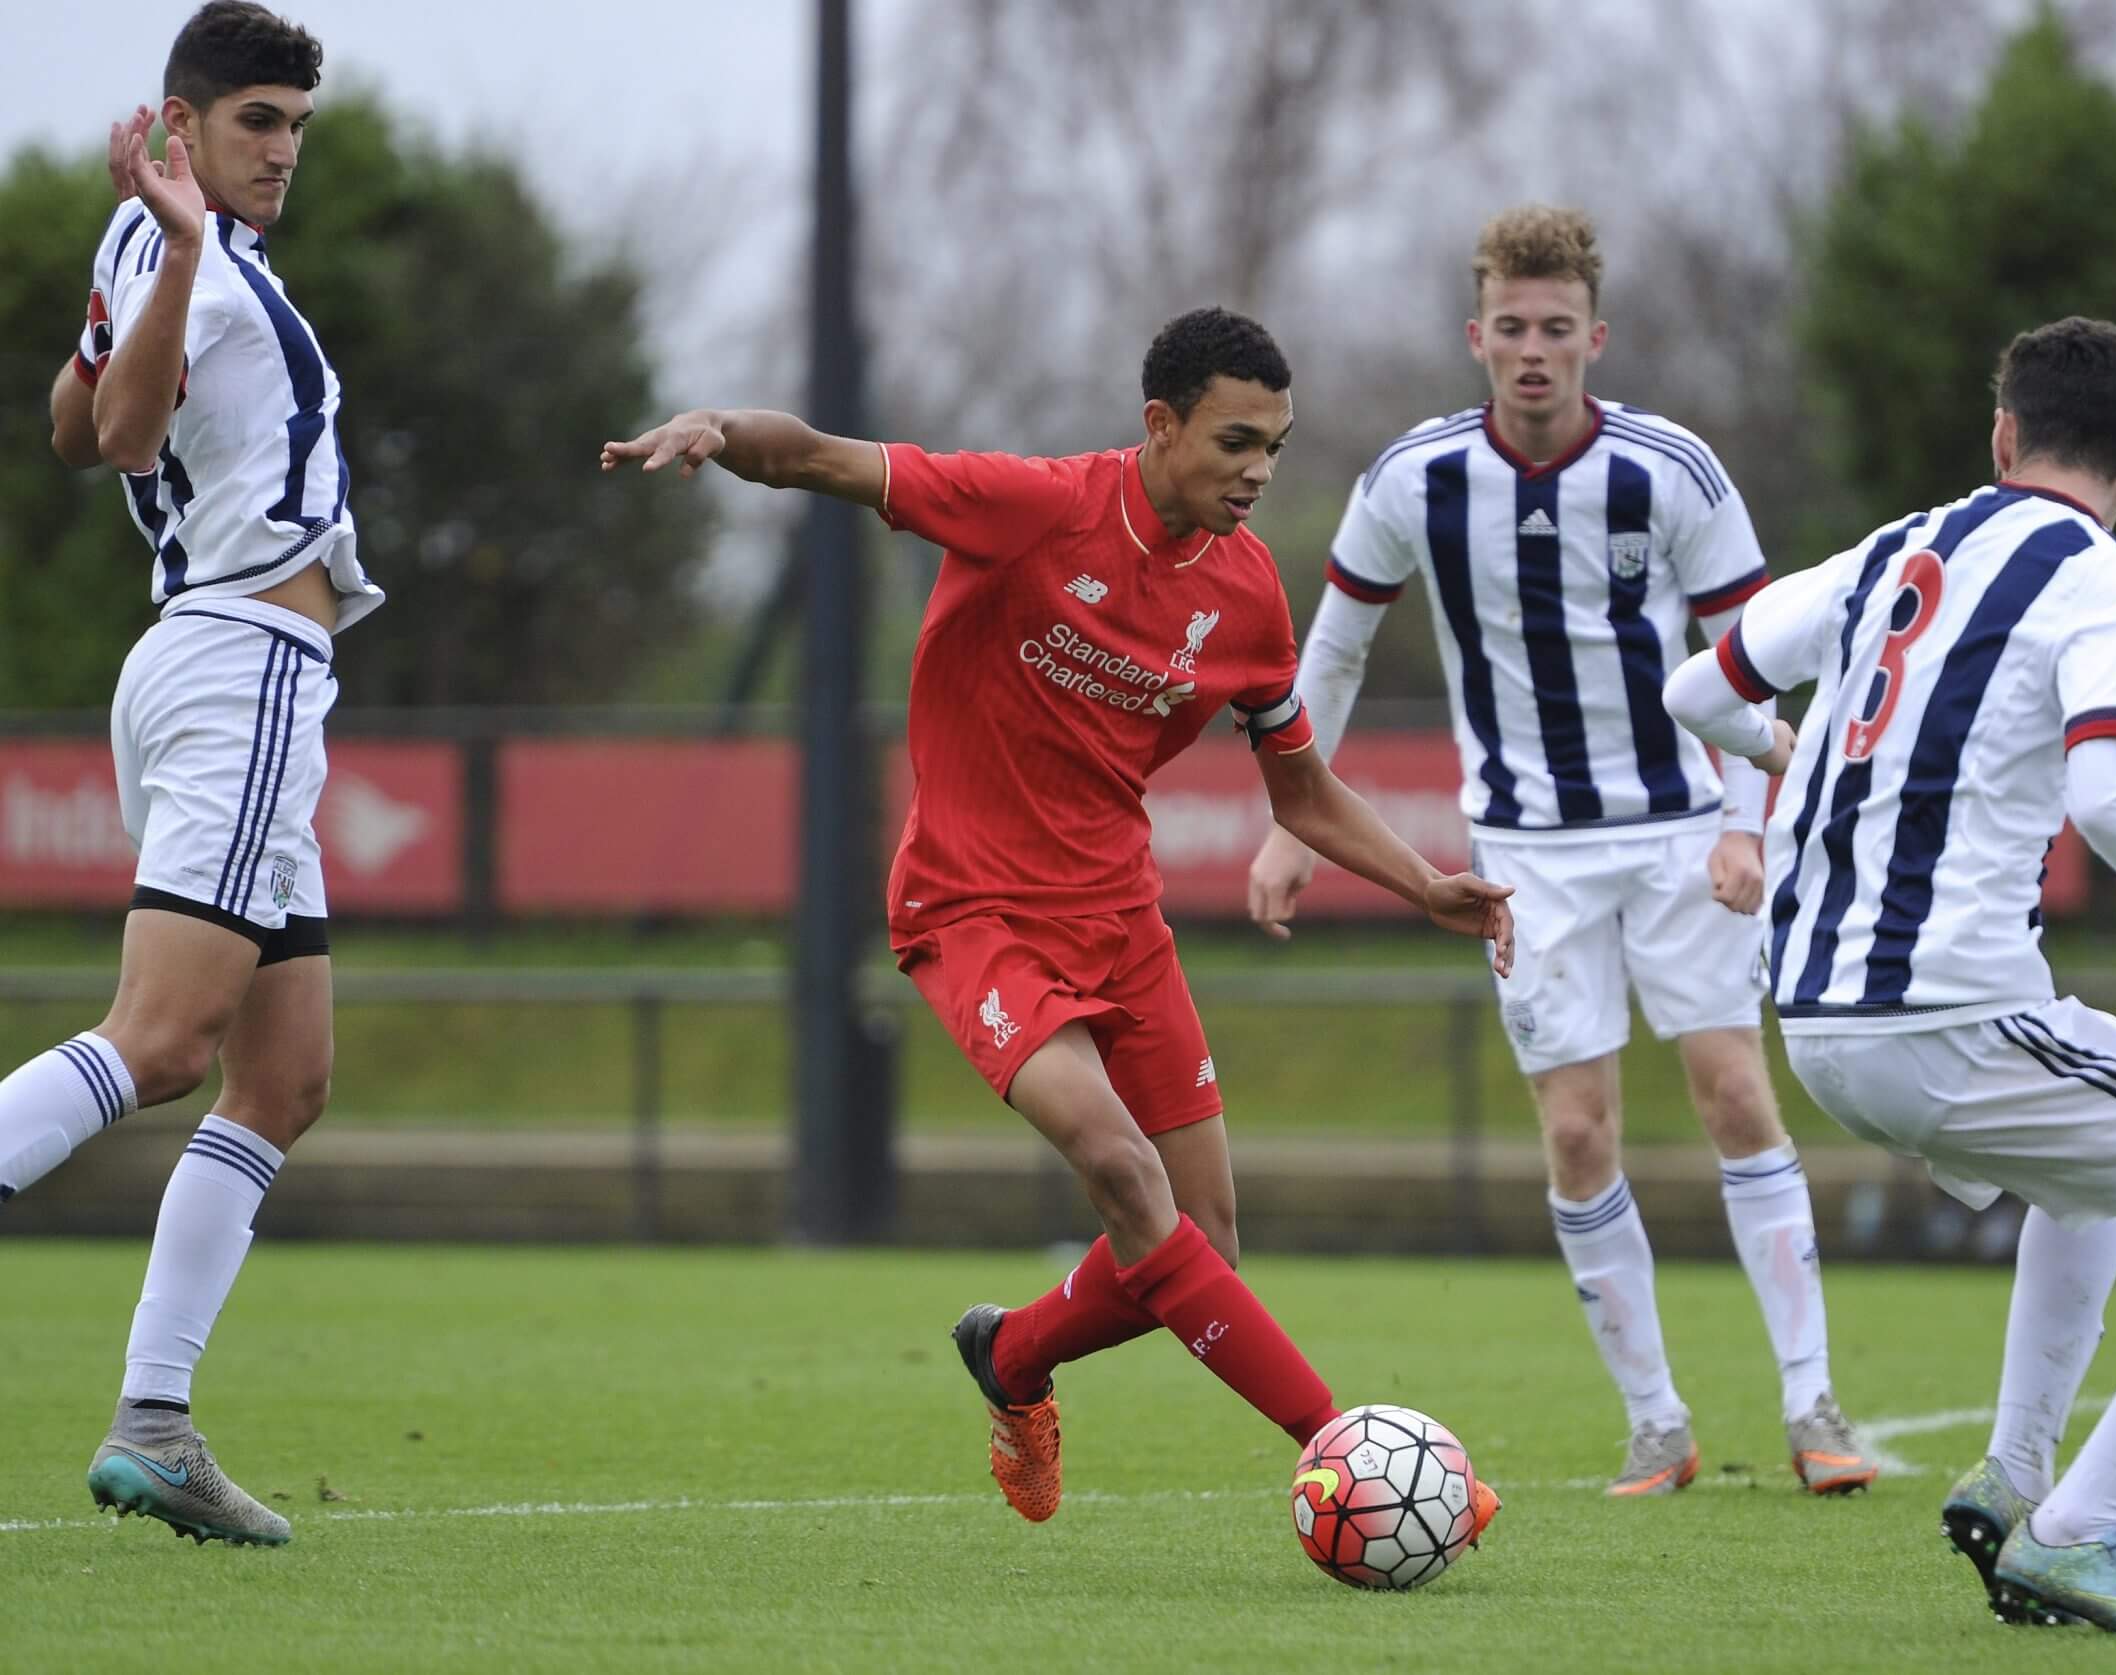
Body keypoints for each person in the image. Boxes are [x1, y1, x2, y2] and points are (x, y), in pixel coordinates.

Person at [603, 308, 1514, 1537]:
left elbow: (1299, 789)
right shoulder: (1030, 507)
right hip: (970, 909)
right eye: (1235, 440)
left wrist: (1425, 883)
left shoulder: (1247, 597)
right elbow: (826, 456)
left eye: (1275, 448)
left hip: (1118, 916)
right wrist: (721, 430)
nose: (1257, 469)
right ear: (1160, 424)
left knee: (1204, 1243)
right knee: (1123, 1172)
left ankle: (1015, 1353)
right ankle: (1344, 1447)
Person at [1661, 317, 2116, 1634]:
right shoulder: (2107, 578)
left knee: (2110, 1162)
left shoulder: (1897, 547)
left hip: (1817, 1018)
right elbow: (2112, 794)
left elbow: (1696, 689)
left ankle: (2015, 1474)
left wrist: (1811, 758)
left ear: (2002, 437)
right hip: (1951, 1018)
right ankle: (2087, 1528)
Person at [1245, 204, 1872, 1497]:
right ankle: (1658, 1420)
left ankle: (1815, 1405)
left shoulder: (1672, 471)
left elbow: (1755, 664)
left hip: (1683, 824)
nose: (1535, 350)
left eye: (1557, 328)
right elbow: (1336, 646)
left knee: (1732, 1094)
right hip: (1525, 849)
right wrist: (1288, 817)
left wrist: (1749, 827)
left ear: (1598, 335)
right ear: (1477, 336)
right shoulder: (1414, 479)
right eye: (1511, 328)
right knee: (1578, 1131)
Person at [3, 2, 378, 1550]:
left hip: (214, 662)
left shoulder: (156, 242)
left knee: (280, 1077)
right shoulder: (183, 250)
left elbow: (69, 422)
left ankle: (153, 1421)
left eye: (293, 123)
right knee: (159, 1040)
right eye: (255, 123)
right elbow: (127, 426)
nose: (281, 149)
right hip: (240, 666)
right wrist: (171, 260)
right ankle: (152, 1413)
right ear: (182, 125)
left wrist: (152, 264)